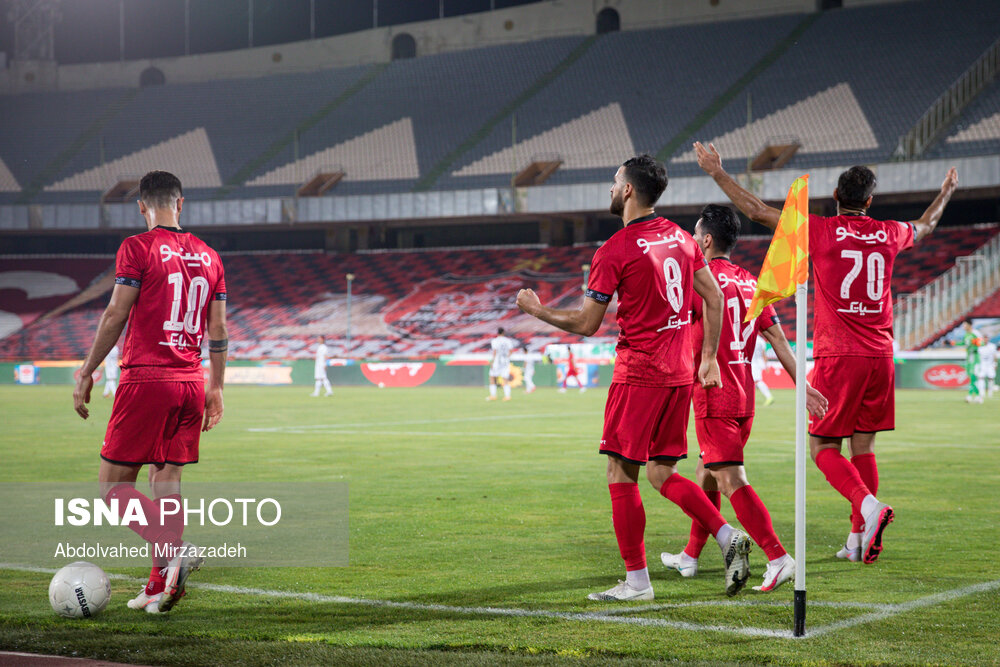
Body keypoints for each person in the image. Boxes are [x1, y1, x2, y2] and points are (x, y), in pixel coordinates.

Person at [696, 141, 958, 564]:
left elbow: (759, 211)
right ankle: (857, 540)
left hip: (841, 353)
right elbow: (926, 226)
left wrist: (716, 173)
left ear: (837, 197)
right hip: (881, 354)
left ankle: (869, 508)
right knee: (864, 446)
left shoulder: (821, 229)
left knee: (822, 448)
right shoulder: (890, 231)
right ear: (870, 201)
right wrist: (946, 192)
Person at [517, 154, 753, 601]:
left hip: (640, 371)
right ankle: (726, 537)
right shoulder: (684, 240)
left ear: (628, 190)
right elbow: (716, 298)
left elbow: (587, 324)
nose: (610, 188)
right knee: (661, 473)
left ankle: (637, 582)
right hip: (680, 373)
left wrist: (537, 310)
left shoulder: (615, 249)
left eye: (613, 181)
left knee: (620, 473)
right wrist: (707, 359)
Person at [73, 171, 227, 613]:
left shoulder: (137, 248)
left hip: (147, 379)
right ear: (181, 203)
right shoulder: (210, 256)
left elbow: (115, 313)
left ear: (142, 206)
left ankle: (173, 549)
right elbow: (218, 329)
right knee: (167, 480)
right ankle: (160, 584)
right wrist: (215, 386)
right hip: (190, 381)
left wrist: (88, 369)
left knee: (112, 489)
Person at [659, 204, 827, 592]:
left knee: (730, 478)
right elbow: (778, 339)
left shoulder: (699, 281)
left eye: (695, 235)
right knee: (707, 475)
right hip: (744, 397)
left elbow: (671, 323)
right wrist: (801, 384)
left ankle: (778, 556)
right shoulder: (752, 283)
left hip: (714, 393)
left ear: (706, 239)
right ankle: (689, 557)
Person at [487, 328, 515, 401]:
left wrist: (492, 361)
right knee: (505, 379)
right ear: (504, 332)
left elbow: (495, 351)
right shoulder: (508, 341)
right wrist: (506, 358)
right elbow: (511, 351)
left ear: (497, 333)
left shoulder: (495, 341)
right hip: (505, 361)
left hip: (497, 361)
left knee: (492, 378)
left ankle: (493, 396)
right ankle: (507, 396)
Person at [961, 320, 983, 404]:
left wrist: (976, 342)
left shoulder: (975, 333)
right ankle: (978, 396)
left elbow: (982, 343)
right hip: (968, 357)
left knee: (973, 376)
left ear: (969, 325)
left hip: (975, 356)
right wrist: (951, 342)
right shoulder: (966, 335)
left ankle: (970, 396)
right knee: (970, 376)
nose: (964, 327)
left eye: (965, 325)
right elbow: (963, 343)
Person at [751, 338, 773, 406]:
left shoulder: (750, 338)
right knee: (754, 381)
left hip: (753, 363)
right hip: (759, 362)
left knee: (757, 381)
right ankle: (750, 399)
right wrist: (766, 365)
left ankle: (769, 397)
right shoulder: (761, 341)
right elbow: (764, 354)